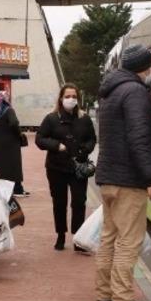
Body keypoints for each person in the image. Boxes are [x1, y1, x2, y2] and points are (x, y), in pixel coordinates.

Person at [95, 44, 151, 301]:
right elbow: (139, 138)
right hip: (129, 181)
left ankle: (104, 294)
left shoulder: (110, 91)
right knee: (128, 241)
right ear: (143, 67)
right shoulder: (135, 92)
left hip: (108, 178)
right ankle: (122, 300)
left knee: (108, 238)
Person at [36, 84, 97, 251]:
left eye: (74, 96)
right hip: (57, 167)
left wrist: (85, 149)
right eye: (67, 96)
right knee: (59, 202)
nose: (71, 99)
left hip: (78, 167)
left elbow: (92, 139)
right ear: (61, 99)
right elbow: (40, 139)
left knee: (79, 202)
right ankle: (60, 235)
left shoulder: (84, 119)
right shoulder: (51, 118)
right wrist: (56, 145)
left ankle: (78, 238)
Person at [0, 89, 26, 195]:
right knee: (14, 165)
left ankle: (2, 189)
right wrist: (19, 133)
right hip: (11, 143)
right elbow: (14, 123)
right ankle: (17, 189)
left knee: (0, 166)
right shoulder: (9, 110)